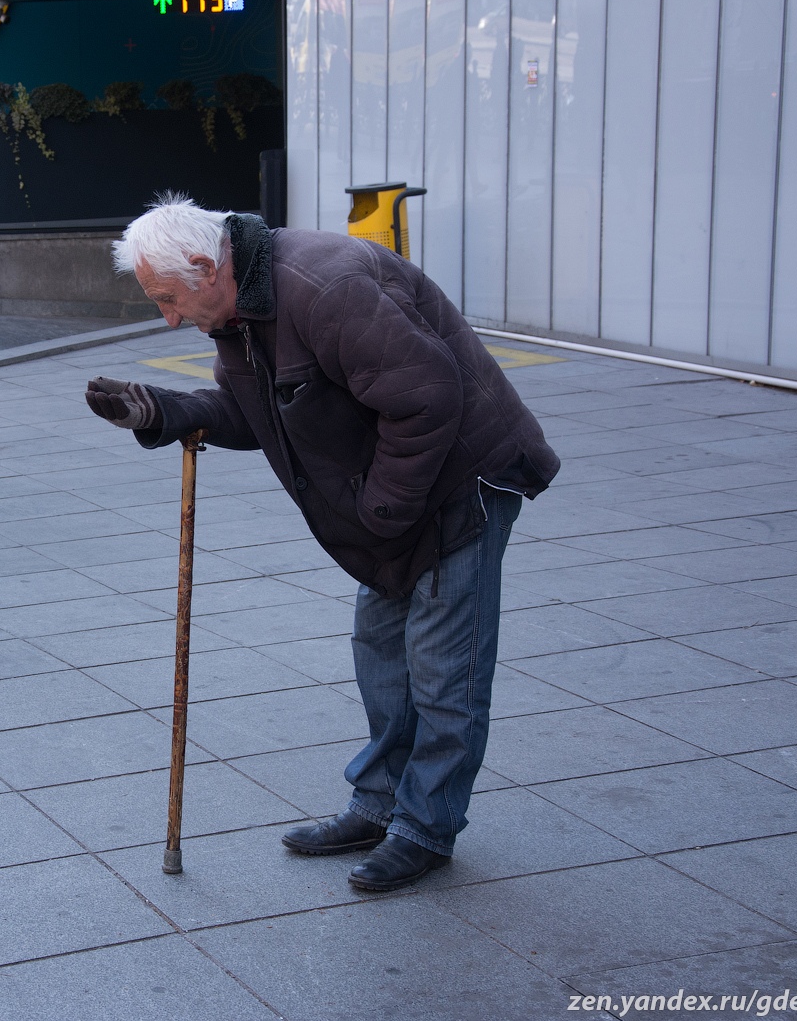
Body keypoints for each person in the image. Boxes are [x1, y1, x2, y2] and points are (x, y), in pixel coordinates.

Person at [85, 195, 560, 891]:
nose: (170, 317)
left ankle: (425, 827)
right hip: (394, 497)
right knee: (382, 656)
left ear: (202, 265)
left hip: (457, 483)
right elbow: (261, 412)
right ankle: (379, 804)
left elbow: (427, 396)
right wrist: (165, 411)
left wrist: (382, 512)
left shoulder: (323, 287)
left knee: (442, 670)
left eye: (169, 299)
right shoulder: (242, 305)